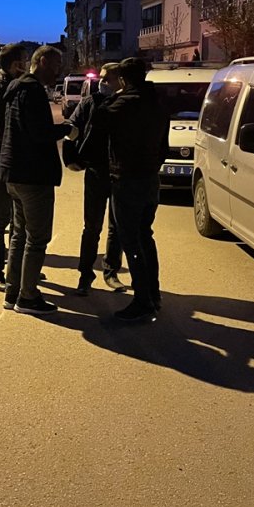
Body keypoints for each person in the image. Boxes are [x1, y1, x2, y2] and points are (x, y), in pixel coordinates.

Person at [80, 57, 169, 321]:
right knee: (145, 237)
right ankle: (153, 294)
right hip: (150, 178)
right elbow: (164, 145)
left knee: (131, 241)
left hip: (127, 178)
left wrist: (110, 98)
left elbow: (96, 125)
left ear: (123, 79)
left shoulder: (121, 104)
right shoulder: (158, 102)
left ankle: (142, 301)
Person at [0, 45, 74, 315]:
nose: (58, 71)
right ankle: (28, 297)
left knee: (19, 235)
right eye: (55, 65)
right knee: (37, 238)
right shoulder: (32, 91)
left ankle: (12, 291)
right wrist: (66, 130)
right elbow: (39, 133)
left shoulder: (16, 88)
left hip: (14, 173)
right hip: (32, 175)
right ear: (41, 62)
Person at [64, 62, 125, 295]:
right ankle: (85, 274)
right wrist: (71, 158)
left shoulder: (125, 104)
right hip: (96, 172)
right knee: (91, 227)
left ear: (120, 80)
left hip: (119, 173)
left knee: (116, 226)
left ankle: (111, 271)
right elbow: (72, 128)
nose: (103, 83)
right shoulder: (90, 103)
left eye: (108, 79)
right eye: (102, 78)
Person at [0, 43, 28, 291]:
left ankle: (15, 269)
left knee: (17, 220)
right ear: (13, 64)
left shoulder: (13, 83)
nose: (26, 65)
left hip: (13, 162)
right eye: (23, 61)